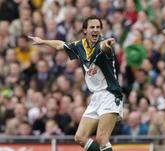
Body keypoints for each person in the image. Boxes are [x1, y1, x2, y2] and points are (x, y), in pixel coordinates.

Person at [29, 15, 123, 151]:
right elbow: (61, 45)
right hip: (97, 96)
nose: (95, 30)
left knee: (102, 138)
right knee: (80, 137)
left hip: (110, 94)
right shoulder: (80, 46)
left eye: (98, 27)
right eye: (92, 27)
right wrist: (43, 41)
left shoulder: (103, 45)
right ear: (85, 30)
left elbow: (105, 47)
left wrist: (107, 44)